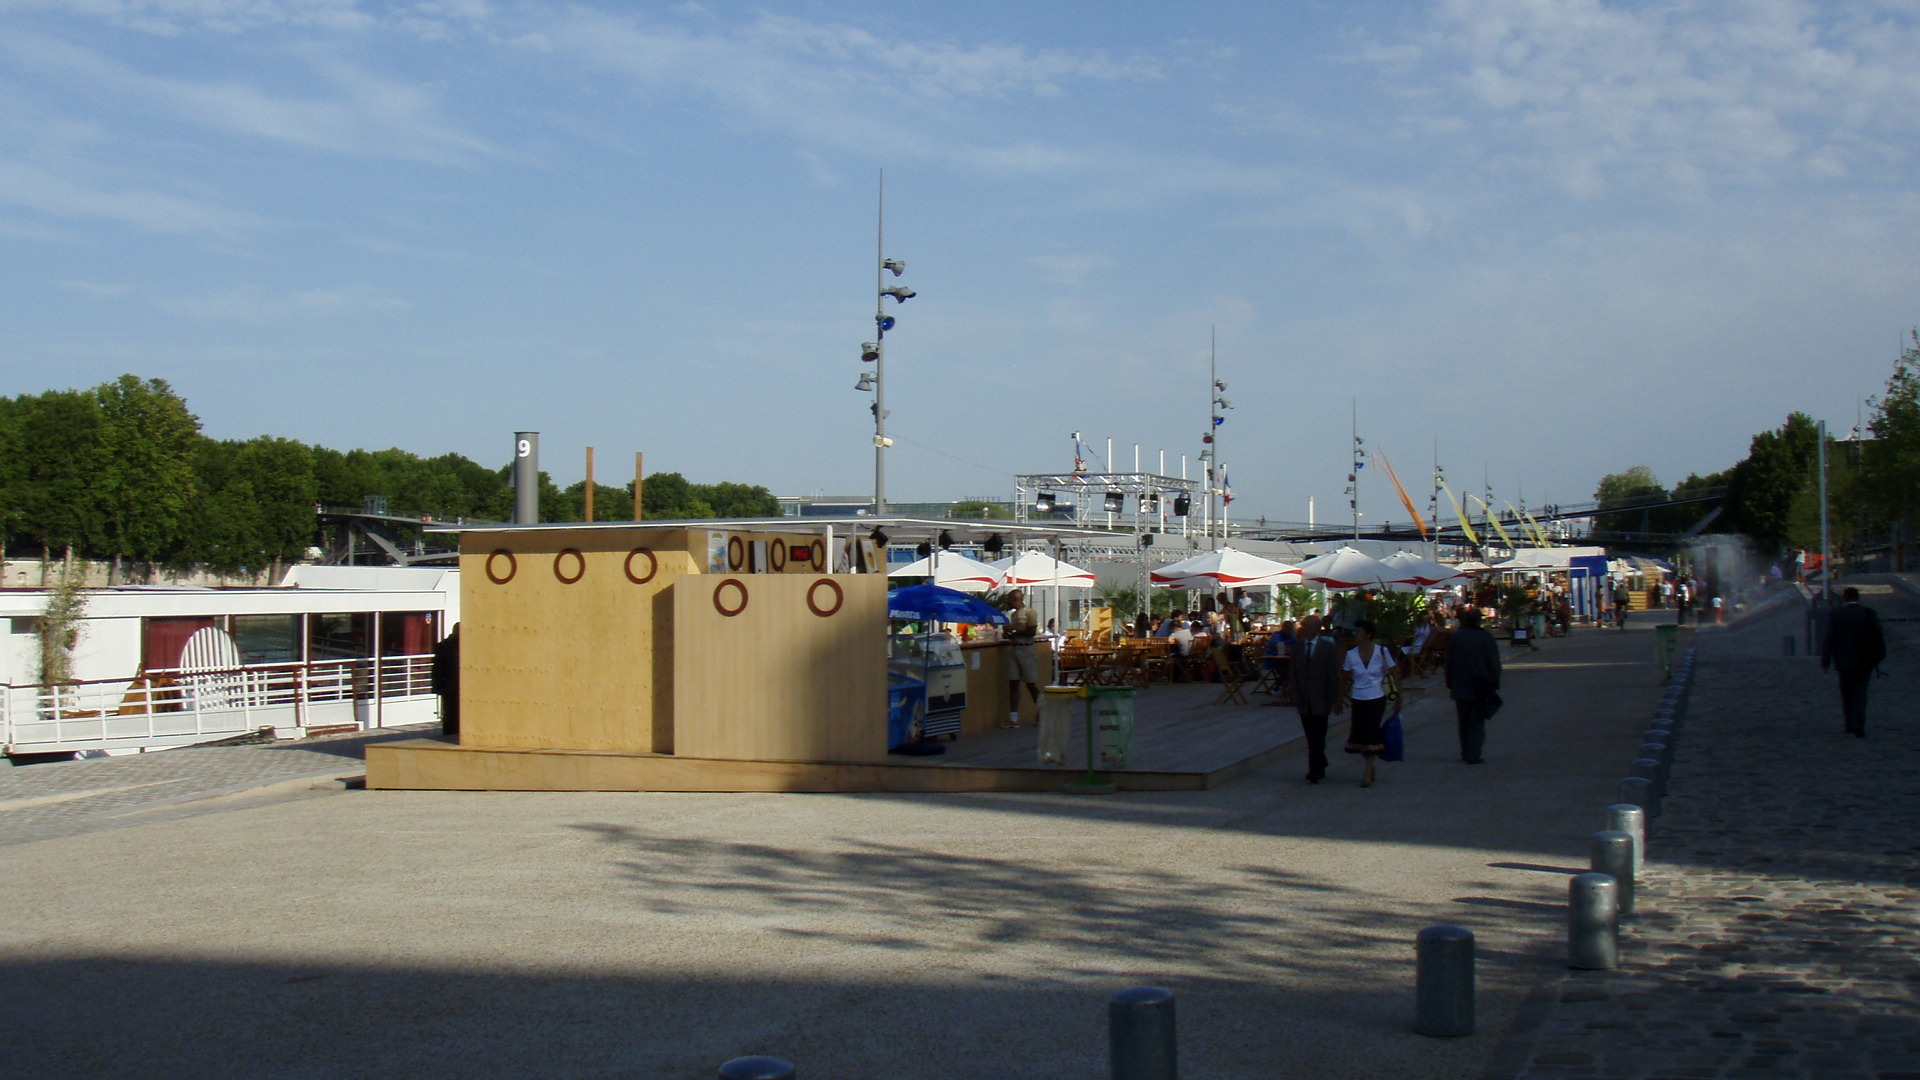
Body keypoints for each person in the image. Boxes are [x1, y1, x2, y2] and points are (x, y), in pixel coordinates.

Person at [1821, 586, 1887, 737]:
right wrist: (1877, 658)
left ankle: (1849, 724)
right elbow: (1878, 637)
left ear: (1844, 598)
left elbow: (1829, 639)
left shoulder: (1837, 614)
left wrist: (1826, 662)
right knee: (1860, 693)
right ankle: (1859, 725)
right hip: (1864, 662)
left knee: (1847, 694)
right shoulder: (1868, 613)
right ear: (1858, 598)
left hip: (1843, 662)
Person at [1339, 618, 1394, 788]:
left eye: (1359, 632)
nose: (1355, 634)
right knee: (1361, 732)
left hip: (1377, 696)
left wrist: (1397, 697)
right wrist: (1338, 699)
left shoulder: (1381, 651)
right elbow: (1345, 677)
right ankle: (1370, 766)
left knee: (1371, 730)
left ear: (1368, 635)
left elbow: (1394, 672)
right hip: (1358, 697)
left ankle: (1368, 770)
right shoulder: (1351, 654)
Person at [1444, 607, 1502, 764]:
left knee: (1463, 720)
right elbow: (1494, 663)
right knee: (1476, 720)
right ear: (1479, 620)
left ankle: (1465, 750)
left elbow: (1448, 662)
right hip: (1480, 684)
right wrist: (1494, 682)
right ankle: (1473, 753)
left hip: (1460, 684)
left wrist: (1450, 683)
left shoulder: (1456, 637)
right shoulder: (1485, 637)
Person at [1288, 614, 1341, 783]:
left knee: (1319, 735)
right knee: (1311, 736)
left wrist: (1333, 699)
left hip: (1321, 699)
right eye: (1302, 626)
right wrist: (1296, 695)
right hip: (1304, 699)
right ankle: (1318, 764)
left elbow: (1332, 675)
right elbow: (1293, 673)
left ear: (1316, 628)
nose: (1303, 629)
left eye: (1306, 626)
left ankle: (1315, 769)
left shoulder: (1327, 647)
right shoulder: (1297, 647)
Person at [1004, 589, 1040, 728]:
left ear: (1015, 599)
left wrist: (1015, 632)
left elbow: (1031, 631)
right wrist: (1008, 634)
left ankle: (1041, 712)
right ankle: (1013, 718)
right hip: (1015, 648)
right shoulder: (1013, 615)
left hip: (1027, 649)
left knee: (1030, 683)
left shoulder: (1030, 613)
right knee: (1013, 682)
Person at [430, 623, 460, 739]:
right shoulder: (444, 646)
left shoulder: (469, 645)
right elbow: (437, 668)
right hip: (450, 686)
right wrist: (437, 687)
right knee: (450, 715)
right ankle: (448, 737)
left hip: (463, 686)